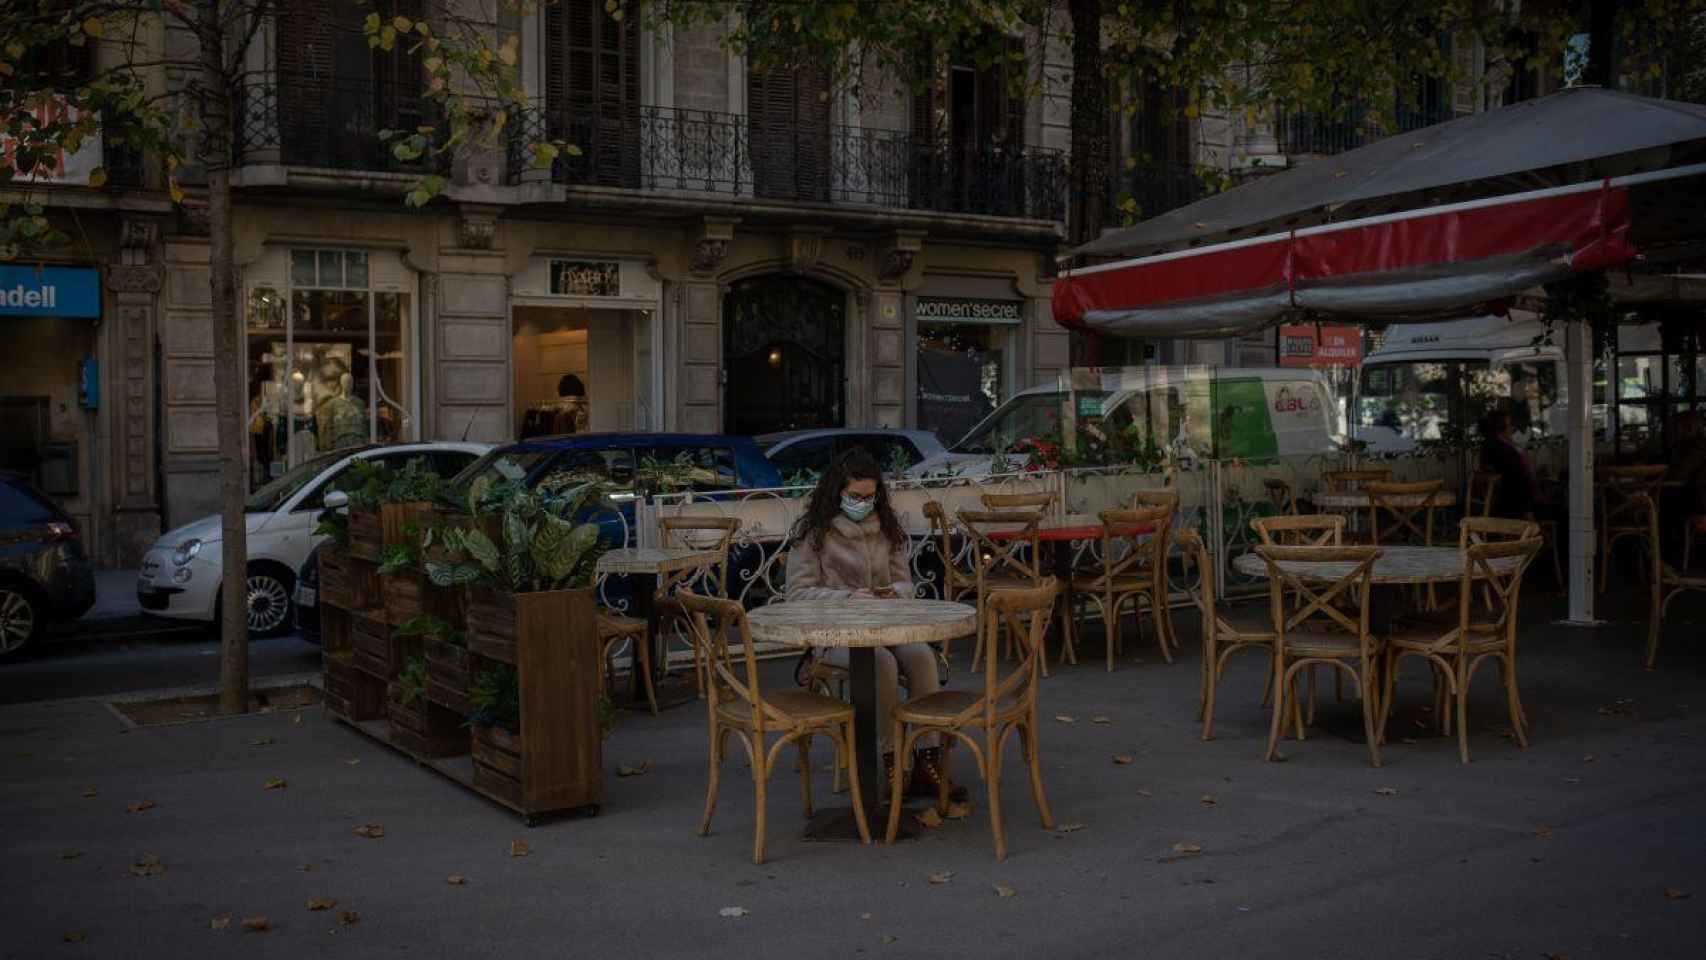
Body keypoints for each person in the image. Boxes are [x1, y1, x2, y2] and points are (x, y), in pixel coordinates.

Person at [785, 448, 951, 797]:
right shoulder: (814, 533)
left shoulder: (885, 528)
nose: (863, 502)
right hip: (835, 636)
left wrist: (894, 592)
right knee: (881, 663)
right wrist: (846, 598)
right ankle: (891, 759)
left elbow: (907, 583)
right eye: (855, 496)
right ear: (837, 493)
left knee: (921, 657)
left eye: (870, 496)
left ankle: (927, 755)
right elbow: (797, 595)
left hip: (887, 625)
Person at [1480, 408, 1546, 520]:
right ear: (1500, 429)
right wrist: (1529, 509)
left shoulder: (1489, 445)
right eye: (1509, 425)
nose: (1512, 429)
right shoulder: (1505, 451)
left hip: (1503, 501)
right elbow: (1518, 481)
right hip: (1514, 504)